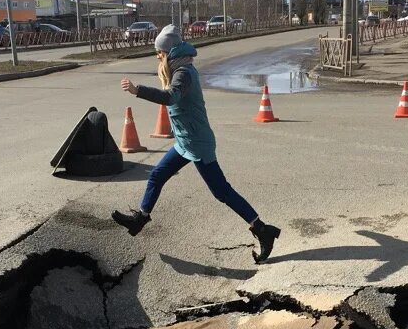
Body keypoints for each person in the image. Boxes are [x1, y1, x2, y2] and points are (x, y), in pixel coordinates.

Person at [112, 24, 281, 263]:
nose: (157, 57)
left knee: (221, 191)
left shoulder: (184, 74)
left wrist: (138, 90)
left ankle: (263, 230)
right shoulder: (178, 69)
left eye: (159, 53)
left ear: (169, 52)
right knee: (157, 175)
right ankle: (141, 217)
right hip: (185, 141)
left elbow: (171, 97)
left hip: (198, 144)